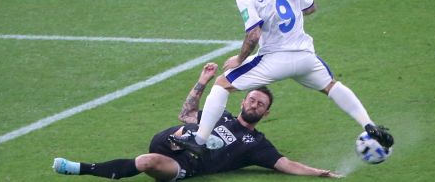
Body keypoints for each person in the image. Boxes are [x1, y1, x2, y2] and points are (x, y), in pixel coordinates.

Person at [172, 0, 394, 156]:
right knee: (331, 86)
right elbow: (310, 7)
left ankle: (199, 140)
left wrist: (239, 60)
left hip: (275, 58)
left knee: (222, 84)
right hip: (305, 56)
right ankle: (368, 124)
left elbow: (253, 35)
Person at [53, 63, 342, 180]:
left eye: (261, 104)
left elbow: (284, 164)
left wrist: (319, 172)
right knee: (191, 127)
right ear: (243, 101)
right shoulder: (223, 115)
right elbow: (187, 113)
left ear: (266, 114)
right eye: (252, 99)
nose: (254, 104)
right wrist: (202, 81)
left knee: (145, 162)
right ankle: (192, 141)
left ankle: (79, 168)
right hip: (170, 139)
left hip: (184, 165)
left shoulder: (256, 144)